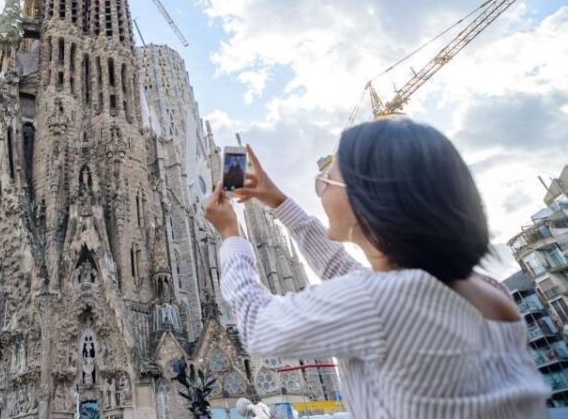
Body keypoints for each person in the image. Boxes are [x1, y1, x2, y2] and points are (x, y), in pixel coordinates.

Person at [204, 119, 549, 418]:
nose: (319, 188)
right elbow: (344, 270)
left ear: (370, 197)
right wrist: (277, 201)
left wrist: (231, 235)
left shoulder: (383, 301)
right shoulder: (484, 289)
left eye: (326, 179)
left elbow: (257, 327)